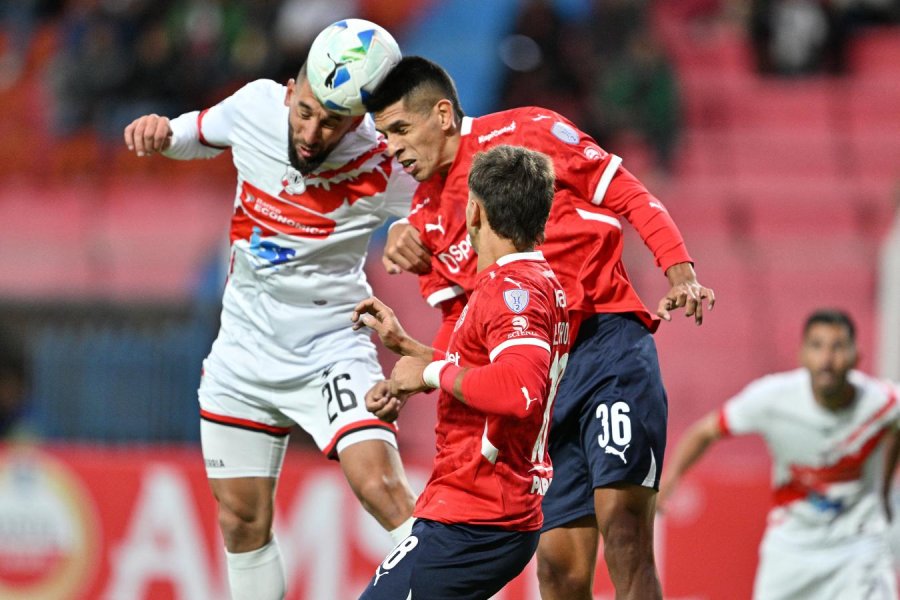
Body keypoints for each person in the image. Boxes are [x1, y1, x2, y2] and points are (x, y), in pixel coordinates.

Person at [364, 56, 715, 600]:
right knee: (558, 568)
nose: (393, 147)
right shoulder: (423, 219)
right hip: (543, 387)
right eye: (384, 135)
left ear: (442, 114)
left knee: (623, 527)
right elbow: (466, 328)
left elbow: (625, 192)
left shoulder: (526, 132)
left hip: (607, 344)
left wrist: (680, 271)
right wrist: (415, 370)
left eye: (400, 129)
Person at [121, 29, 419, 600]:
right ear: (291, 88)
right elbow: (195, 133)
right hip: (243, 353)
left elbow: (439, 212)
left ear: (361, 121)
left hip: (332, 346)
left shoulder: (387, 161)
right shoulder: (254, 105)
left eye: (332, 122)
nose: (310, 134)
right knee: (241, 523)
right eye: (305, 111)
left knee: (381, 486)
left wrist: (413, 230)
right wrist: (162, 131)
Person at [351, 144, 569, 599]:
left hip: (478, 517)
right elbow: (483, 372)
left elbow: (518, 389)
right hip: (476, 509)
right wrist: (407, 348)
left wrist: (429, 376)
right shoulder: (530, 281)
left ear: (474, 212)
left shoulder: (514, 291)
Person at [659, 309, 900, 600]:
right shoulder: (772, 398)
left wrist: (886, 485)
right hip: (791, 549)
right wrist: (669, 481)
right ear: (802, 354)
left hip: (860, 547)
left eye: (837, 347)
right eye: (817, 346)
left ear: (856, 355)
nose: (827, 360)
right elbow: (706, 431)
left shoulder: (881, 401)